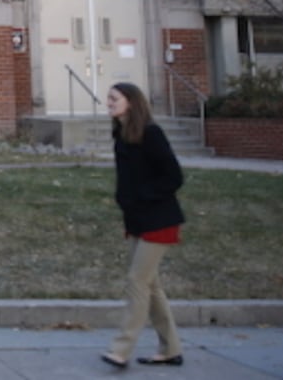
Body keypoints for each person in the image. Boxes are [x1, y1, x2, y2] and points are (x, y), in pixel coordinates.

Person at [101, 82, 186, 369]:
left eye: (114, 98)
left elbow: (173, 177)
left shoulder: (151, 134)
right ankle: (171, 348)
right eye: (108, 99)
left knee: (136, 282)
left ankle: (121, 349)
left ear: (131, 102)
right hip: (137, 219)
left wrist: (142, 197)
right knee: (151, 285)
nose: (109, 103)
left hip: (159, 220)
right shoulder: (122, 135)